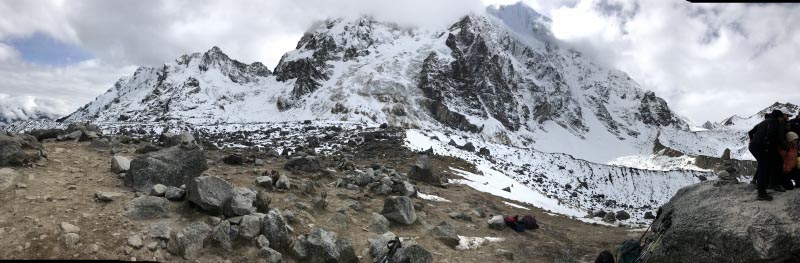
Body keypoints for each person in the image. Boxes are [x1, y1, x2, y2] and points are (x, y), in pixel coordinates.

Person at [749, 110, 790, 201]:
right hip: (760, 147)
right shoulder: (775, 122)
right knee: (764, 168)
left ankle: (763, 189)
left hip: (754, 146)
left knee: (764, 166)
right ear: (779, 117)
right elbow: (776, 138)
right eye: (782, 117)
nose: (783, 119)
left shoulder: (766, 121)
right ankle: (762, 193)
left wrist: (752, 140)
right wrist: (785, 147)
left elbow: (751, 132)